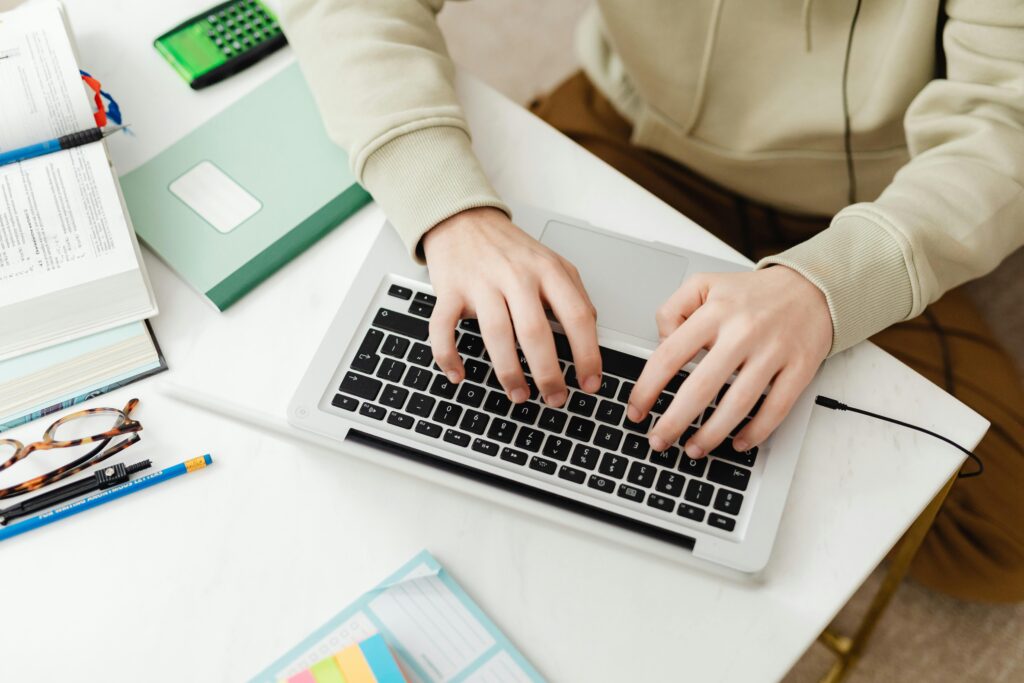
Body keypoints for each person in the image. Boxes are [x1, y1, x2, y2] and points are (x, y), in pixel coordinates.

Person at [281, 0, 1024, 602]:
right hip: (630, 132)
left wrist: (827, 286)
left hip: (863, 206)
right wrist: (452, 212)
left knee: (1004, 542)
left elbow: (1007, 126)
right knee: (447, 391)